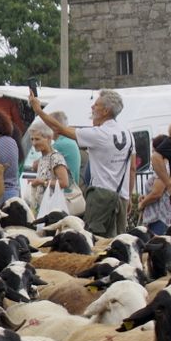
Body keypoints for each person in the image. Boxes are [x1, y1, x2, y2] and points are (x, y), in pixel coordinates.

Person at [34, 91, 132, 235]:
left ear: (106, 111)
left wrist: (39, 111)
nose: (92, 107)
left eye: (96, 105)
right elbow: (133, 168)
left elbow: (60, 129)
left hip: (100, 196)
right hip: (122, 197)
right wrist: (128, 197)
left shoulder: (98, 134)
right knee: (119, 241)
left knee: (96, 241)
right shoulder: (128, 134)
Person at [21, 122, 73, 211]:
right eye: (32, 139)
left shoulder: (55, 157)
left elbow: (64, 183)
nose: (34, 143)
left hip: (52, 208)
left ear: (48, 138)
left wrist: (41, 182)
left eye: (37, 139)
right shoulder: (43, 158)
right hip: (43, 207)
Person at [137, 135, 171, 235]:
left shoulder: (163, 166)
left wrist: (142, 203)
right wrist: (146, 197)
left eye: (154, 150)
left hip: (160, 218)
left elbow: (157, 193)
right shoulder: (166, 165)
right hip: (158, 217)